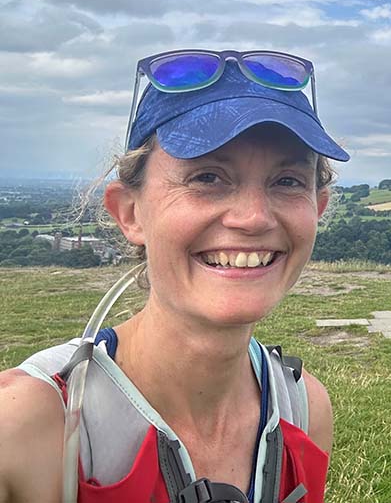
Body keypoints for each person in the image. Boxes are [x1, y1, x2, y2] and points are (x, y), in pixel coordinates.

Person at [0, 49, 350, 503]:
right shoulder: (28, 424)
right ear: (130, 213)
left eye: (287, 181)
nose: (253, 217)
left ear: (316, 210)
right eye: (208, 176)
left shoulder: (303, 410)